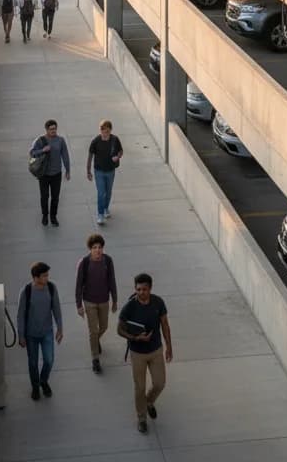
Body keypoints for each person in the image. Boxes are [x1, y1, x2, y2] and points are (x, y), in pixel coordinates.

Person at [117, 272, 172, 434]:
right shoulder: (129, 307)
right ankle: (141, 418)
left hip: (156, 350)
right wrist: (135, 337)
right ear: (135, 289)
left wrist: (169, 346)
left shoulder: (158, 302)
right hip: (137, 354)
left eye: (144, 289)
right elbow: (119, 329)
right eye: (138, 289)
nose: (141, 292)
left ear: (150, 288)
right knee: (139, 387)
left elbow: (165, 324)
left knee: (160, 383)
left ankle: (148, 402)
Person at [16, 262, 64, 401]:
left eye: (47, 275)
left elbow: (56, 309)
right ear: (35, 277)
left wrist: (60, 328)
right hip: (31, 335)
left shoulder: (51, 288)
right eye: (44, 276)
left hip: (47, 332)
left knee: (49, 360)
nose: (47, 278)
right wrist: (21, 335)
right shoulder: (26, 291)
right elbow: (20, 315)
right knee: (33, 363)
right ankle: (35, 387)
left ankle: (43, 381)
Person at [75, 233, 118, 373]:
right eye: (94, 247)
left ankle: (95, 340)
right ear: (90, 249)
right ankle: (95, 359)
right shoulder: (84, 263)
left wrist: (115, 300)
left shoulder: (108, 261)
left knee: (104, 327)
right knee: (93, 330)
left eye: (100, 247)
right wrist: (79, 305)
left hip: (104, 300)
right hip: (89, 302)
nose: (97, 250)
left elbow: (112, 280)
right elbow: (78, 285)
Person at [30, 119, 71, 227]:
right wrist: (43, 150)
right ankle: (45, 216)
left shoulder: (60, 140)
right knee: (44, 196)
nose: (53, 131)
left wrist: (67, 170)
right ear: (46, 130)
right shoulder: (40, 140)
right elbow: (32, 153)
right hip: (44, 174)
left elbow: (65, 155)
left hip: (56, 174)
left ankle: (53, 217)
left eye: (55, 129)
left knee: (55, 197)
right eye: (51, 129)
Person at [86, 119, 122, 225]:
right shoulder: (95, 141)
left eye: (106, 131)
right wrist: (88, 171)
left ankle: (106, 208)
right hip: (99, 171)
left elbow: (121, 151)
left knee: (108, 192)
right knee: (101, 193)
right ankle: (100, 214)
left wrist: (118, 157)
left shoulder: (115, 140)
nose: (104, 133)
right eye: (102, 130)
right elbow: (90, 156)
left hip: (110, 171)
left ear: (110, 130)